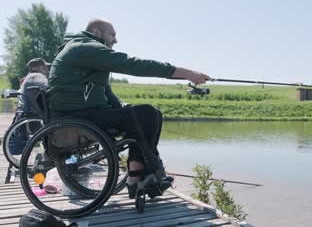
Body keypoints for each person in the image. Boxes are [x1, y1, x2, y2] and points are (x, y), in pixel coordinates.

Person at [47, 18, 211, 198]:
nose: (115, 40)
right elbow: (132, 64)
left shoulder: (88, 54)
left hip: (85, 114)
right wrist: (187, 73)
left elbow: (106, 94)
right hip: (76, 119)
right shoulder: (83, 47)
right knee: (146, 113)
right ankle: (140, 176)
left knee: (151, 113)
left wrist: (129, 110)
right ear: (97, 31)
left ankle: (140, 176)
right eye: (113, 34)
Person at [9, 58, 50, 155]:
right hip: (37, 121)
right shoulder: (36, 76)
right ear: (35, 68)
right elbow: (49, 87)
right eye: (44, 67)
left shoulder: (29, 77)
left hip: (28, 118)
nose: (47, 70)